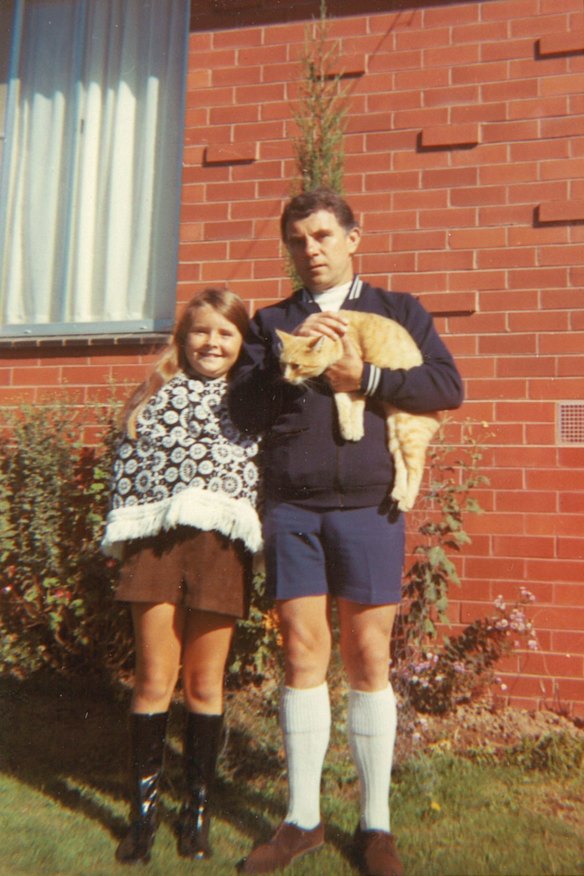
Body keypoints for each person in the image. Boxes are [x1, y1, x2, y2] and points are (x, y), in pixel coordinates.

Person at [228, 188, 464, 876]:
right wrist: (281, 361)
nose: (312, 250)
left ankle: (375, 825)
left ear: (354, 238)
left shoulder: (399, 310)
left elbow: (445, 387)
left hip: (370, 508)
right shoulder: (270, 320)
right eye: (299, 240)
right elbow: (244, 412)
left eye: (325, 235)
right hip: (294, 508)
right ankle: (302, 819)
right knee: (302, 653)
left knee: (368, 655)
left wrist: (362, 373)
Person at [101, 288, 262, 865]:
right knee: (152, 680)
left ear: (242, 342)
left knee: (204, 685)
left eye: (225, 333)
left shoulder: (251, 402)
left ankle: (195, 812)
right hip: (157, 546)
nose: (212, 343)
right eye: (201, 331)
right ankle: (141, 817)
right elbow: (128, 467)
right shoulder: (154, 395)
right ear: (183, 337)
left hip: (221, 548)